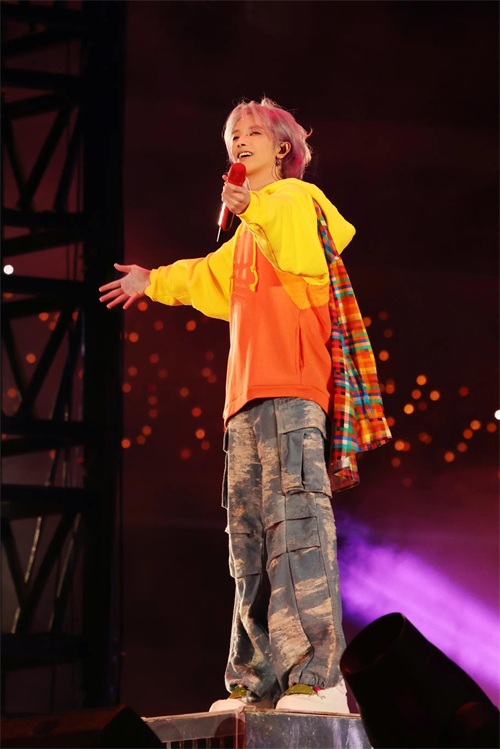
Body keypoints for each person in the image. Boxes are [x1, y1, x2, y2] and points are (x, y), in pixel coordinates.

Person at [99, 97, 391, 714]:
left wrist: (250, 207)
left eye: (254, 131)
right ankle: (255, 683)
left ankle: (317, 678)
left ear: (283, 147)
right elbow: (203, 276)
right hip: (244, 405)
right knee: (248, 545)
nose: (241, 139)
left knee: (298, 530)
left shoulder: (298, 201)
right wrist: (151, 281)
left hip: (292, 393)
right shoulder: (244, 237)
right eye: (234, 133)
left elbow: (295, 246)